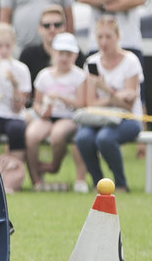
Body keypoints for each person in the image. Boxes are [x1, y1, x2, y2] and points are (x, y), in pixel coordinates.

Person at [76, 16, 144, 193]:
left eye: (108, 37)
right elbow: (91, 103)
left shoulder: (131, 62)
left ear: (118, 37)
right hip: (98, 118)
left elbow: (128, 106)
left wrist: (106, 89)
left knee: (105, 138)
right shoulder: (92, 62)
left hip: (127, 119)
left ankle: (120, 183)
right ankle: (99, 183)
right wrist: (116, 96)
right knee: (82, 138)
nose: (103, 42)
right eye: (100, 37)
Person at [25, 32, 88, 192]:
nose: (64, 58)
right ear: (53, 53)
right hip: (47, 117)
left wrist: (60, 97)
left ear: (75, 55)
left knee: (58, 135)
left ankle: (53, 167)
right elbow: (37, 103)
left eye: (68, 54)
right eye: (61, 53)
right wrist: (42, 111)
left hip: (69, 117)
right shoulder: (44, 75)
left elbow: (81, 104)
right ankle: (36, 179)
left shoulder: (79, 76)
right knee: (31, 135)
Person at [0, 23, 31, 170]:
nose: (3, 50)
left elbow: (18, 107)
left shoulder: (21, 69)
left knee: (17, 129)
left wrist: (15, 85)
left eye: (7, 46)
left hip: (12, 114)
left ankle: (13, 172)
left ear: (13, 46)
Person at [19, 5, 84, 76]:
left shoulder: (74, 51)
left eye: (57, 25)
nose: (52, 29)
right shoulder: (28, 55)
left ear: (64, 27)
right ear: (39, 29)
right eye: (47, 25)